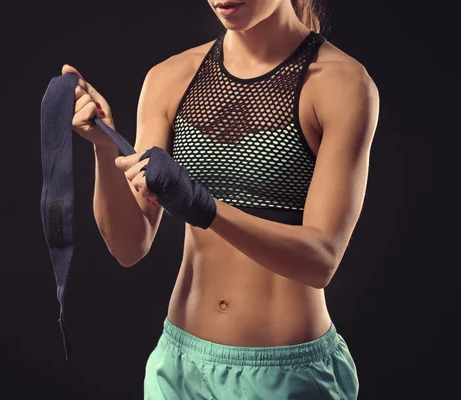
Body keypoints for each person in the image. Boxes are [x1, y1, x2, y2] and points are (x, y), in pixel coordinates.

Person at [63, 0, 379, 398]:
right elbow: (130, 245)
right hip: (178, 369)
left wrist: (204, 208)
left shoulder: (340, 83)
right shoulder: (170, 77)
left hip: (286, 376)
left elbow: (322, 260)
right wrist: (103, 148)